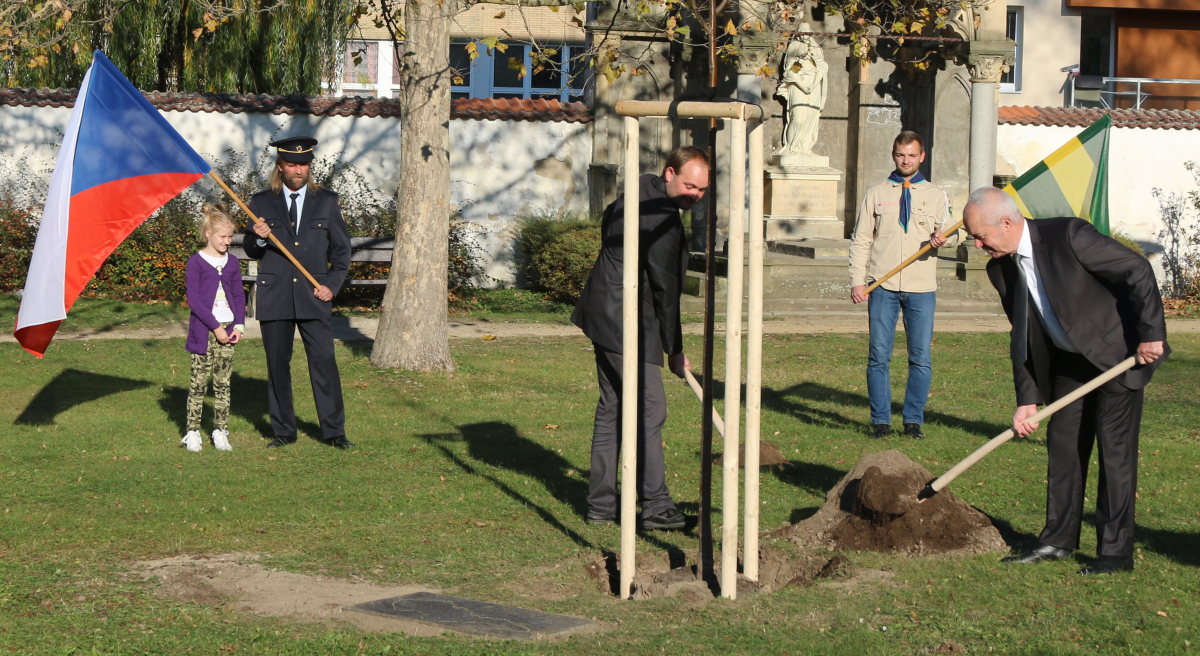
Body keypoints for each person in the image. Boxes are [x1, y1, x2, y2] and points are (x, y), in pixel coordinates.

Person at [962, 186, 1168, 575]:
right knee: (1064, 449)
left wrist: (1150, 333)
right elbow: (1021, 333)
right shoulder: (1000, 268)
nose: (977, 244)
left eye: (980, 235)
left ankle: (1114, 553)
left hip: (1117, 356)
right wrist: (1028, 398)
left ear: (1005, 223)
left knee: (1114, 453)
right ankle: (1057, 540)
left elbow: (1136, 269)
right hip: (1068, 365)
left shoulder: (1068, 235)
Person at [571, 146, 709, 531]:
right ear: (669, 173)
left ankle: (600, 505)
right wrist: (675, 350)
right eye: (689, 186)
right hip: (625, 320)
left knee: (612, 407)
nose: (694, 196)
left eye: (701, 190)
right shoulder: (661, 218)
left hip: (602, 312)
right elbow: (666, 290)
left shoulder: (637, 191)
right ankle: (656, 506)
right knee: (650, 409)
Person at [244, 136, 354, 449]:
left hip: (313, 295)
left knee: (324, 364)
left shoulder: (327, 201)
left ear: (309, 166)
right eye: (291, 164)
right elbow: (252, 249)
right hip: (275, 294)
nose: (298, 169)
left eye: (303, 163)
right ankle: (283, 431)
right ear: (280, 166)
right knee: (277, 366)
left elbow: (342, 252)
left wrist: (332, 286)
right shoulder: (261, 202)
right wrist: (260, 238)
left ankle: (334, 432)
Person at [848, 131, 959, 440]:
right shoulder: (876, 193)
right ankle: (881, 422)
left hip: (921, 288)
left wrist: (945, 239)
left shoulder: (937, 195)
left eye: (912, 155)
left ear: (922, 156)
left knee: (920, 358)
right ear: (893, 155)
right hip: (881, 287)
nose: (906, 160)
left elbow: (954, 234)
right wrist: (858, 281)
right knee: (878, 357)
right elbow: (860, 241)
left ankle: (913, 422)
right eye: (901, 155)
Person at [183, 207, 246, 452]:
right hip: (204, 332)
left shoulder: (232, 262)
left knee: (223, 384)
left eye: (230, 237)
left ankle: (220, 431)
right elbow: (195, 300)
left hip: (228, 332)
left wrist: (238, 325)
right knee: (198, 385)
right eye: (223, 237)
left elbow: (239, 295)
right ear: (208, 234)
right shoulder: (196, 262)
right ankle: (192, 432)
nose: (227, 242)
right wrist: (215, 327)